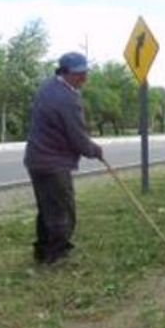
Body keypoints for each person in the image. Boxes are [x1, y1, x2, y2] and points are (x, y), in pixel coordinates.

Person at [24, 52, 103, 265]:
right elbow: (78, 137)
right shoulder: (67, 98)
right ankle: (56, 255)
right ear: (65, 73)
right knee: (62, 210)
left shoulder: (48, 87)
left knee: (46, 208)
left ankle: (43, 251)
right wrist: (95, 151)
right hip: (53, 163)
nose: (84, 78)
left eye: (85, 73)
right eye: (79, 74)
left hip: (36, 160)